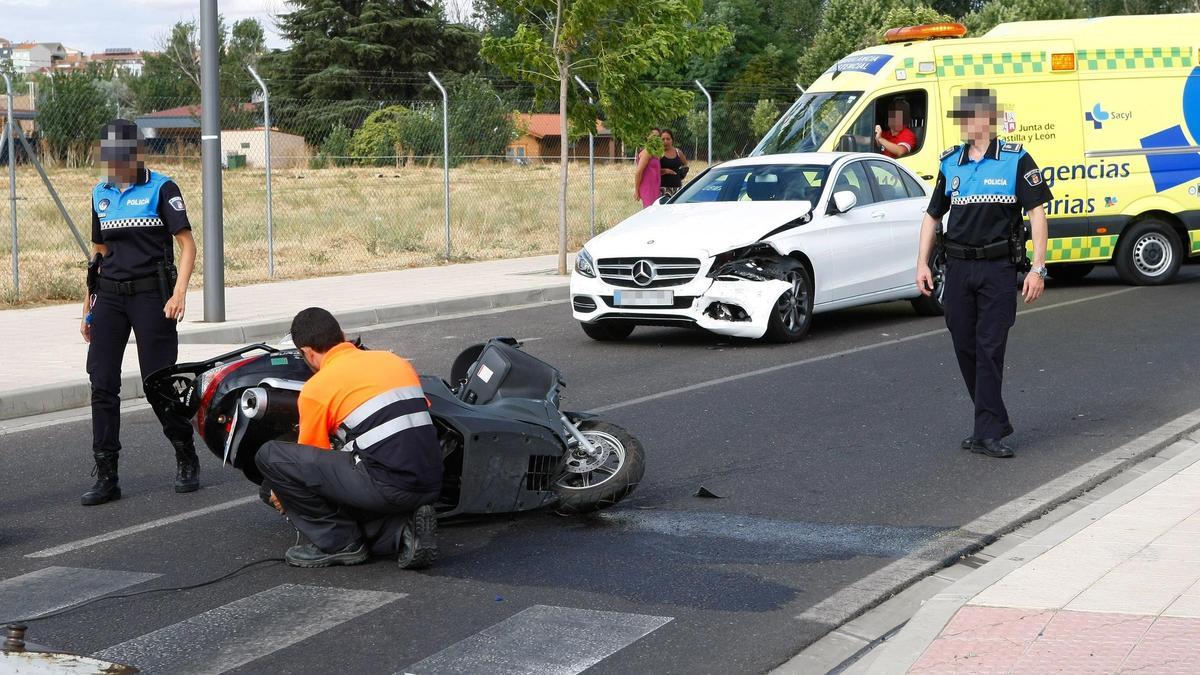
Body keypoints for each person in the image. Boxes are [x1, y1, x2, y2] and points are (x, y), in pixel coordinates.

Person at [915, 88, 1050, 459]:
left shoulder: (1016, 159)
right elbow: (932, 215)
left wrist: (1037, 269)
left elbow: (1037, 213)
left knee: (990, 348)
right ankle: (990, 423)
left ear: (987, 120)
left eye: (972, 116)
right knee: (964, 345)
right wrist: (922, 262)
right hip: (958, 269)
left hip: (997, 270)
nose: (965, 123)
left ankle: (987, 432)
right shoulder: (950, 163)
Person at [256, 308, 442, 569]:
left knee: (272, 457)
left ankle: (341, 543)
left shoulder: (317, 388)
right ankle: (403, 532)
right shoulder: (394, 361)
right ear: (341, 335)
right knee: (365, 462)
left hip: (389, 486)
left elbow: (310, 464)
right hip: (432, 479)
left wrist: (281, 492)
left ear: (307, 353)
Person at [80, 119, 198, 506]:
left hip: (152, 297)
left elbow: (187, 245)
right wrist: (88, 305)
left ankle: (185, 453)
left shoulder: (162, 188)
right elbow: (99, 253)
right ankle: (107, 474)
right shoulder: (100, 193)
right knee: (101, 383)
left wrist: (179, 293)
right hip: (110, 298)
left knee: (158, 383)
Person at [634, 127, 662, 207]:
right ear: (647, 137)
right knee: (650, 211)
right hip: (648, 187)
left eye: (657, 137)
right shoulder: (647, 152)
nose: (655, 138)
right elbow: (638, 172)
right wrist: (636, 190)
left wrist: (665, 171)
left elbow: (653, 170)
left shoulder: (655, 152)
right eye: (652, 136)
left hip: (655, 187)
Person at [658, 129, 689, 198]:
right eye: (663, 139)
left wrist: (682, 173)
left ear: (672, 140)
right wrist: (664, 171)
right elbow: (653, 171)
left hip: (677, 188)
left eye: (668, 139)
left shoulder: (678, 152)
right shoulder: (658, 153)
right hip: (662, 189)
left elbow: (685, 165)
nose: (665, 141)